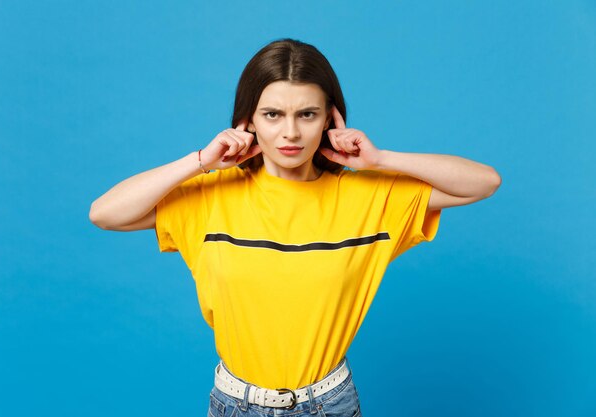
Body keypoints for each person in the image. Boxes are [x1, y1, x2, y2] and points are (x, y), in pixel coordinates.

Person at [89, 38, 501, 417]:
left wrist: (380, 160)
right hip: (235, 403)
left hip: (329, 404)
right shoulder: (208, 195)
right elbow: (105, 213)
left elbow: (484, 182)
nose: (290, 132)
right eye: (272, 114)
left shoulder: (370, 198)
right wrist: (201, 160)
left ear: (329, 119)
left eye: (307, 114)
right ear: (248, 120)